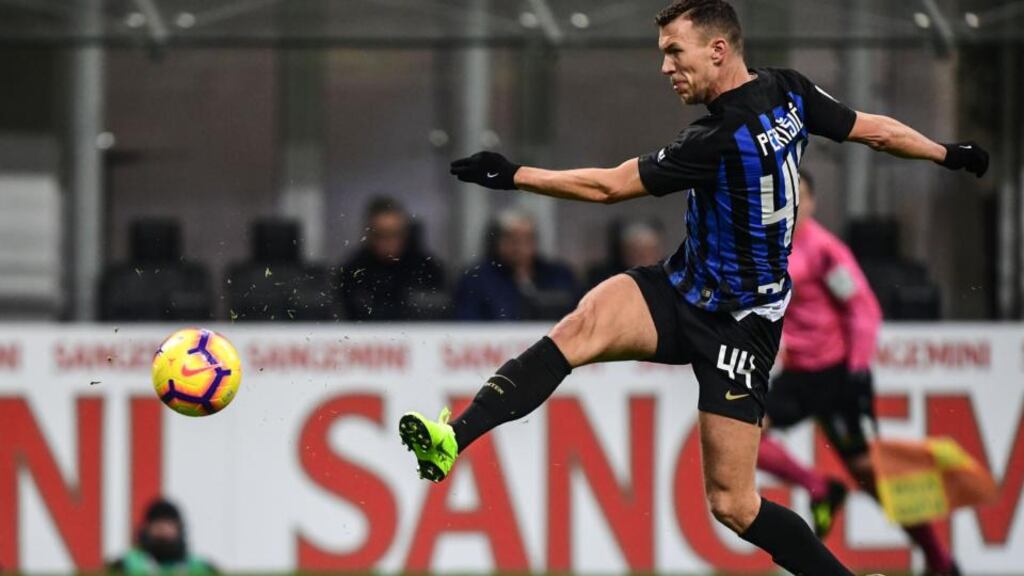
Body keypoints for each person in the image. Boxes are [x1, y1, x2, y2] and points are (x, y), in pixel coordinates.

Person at [398, 1, 988, 575]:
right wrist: (947, 153)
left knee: (734, 505)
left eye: (675, 53)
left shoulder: (716, 139)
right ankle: (452, 437)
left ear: (718, 49)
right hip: (680, 289)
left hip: (741, 325)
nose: (665, 68)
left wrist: (515, 175)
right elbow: (873, 131)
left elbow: (609, 188)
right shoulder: (789, 91)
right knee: (578, 327)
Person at [757, 172, 960, 576]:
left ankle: (941, 562)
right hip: (800, 375)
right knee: (745, 436)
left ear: (812, 203)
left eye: (801, 196)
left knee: (874, 477)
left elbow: (863, 307)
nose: (792, 205)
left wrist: (858, 367)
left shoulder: (824, 251)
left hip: (836, 375)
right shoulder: (767, 250)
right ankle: (820, 487)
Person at [454, 208, 578, 321]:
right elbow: (467, 324)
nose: (520, 246)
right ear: (496, 242)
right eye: (512, 239)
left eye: (527, 238)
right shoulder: (475, 279)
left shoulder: (558, 274)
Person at [338, 196, 447, 320]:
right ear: (369, 235)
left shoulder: (427, 269)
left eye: (395, 234)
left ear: (406, 233)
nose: (388, 242)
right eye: (380, 235)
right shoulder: (353, 271)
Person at [108, 499, 216, 574]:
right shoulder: (125, 565)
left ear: (179, 529)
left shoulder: (201, 568)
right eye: (158, 524)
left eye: (169, 525)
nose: (163, 530)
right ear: (146, 529)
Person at [586, 218, 667, 289]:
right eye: (637, 252)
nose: (645, 258)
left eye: (650, 252)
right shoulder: (606, 279)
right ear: (625, 253)